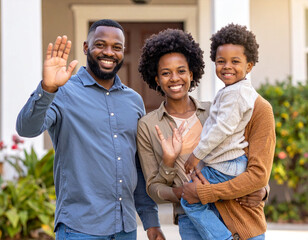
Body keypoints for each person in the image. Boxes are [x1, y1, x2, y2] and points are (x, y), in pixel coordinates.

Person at [16, 19, 165, 240]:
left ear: (123, 51)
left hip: (125, 229)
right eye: (100, 44)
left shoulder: (134, 101)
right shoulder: (63, 92)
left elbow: (138, 165)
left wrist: (151, 222)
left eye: (116, 47)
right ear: (86, 47)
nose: (108, 52)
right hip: (79, 229)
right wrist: (48, 88)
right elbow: (26, 129)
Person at [137, 28, 274, 240]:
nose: (175, 79)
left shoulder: (218, 111)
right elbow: (153, 188)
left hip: (237, 214)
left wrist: (263, 190)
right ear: (156, 78)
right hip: (191, 220)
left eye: (181, 71)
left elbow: (248, 162)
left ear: (191, 74)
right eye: (166, 73)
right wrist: (169, 165)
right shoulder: (148, 125)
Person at [180, 24, 274, 240]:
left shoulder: (259, 108)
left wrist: (204, 192)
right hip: (197, 226)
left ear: (249, 66)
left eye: (235, 61)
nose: (226, 66)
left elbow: (258, 175)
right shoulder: (219, 102)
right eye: (221, 61)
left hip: (241, 224)